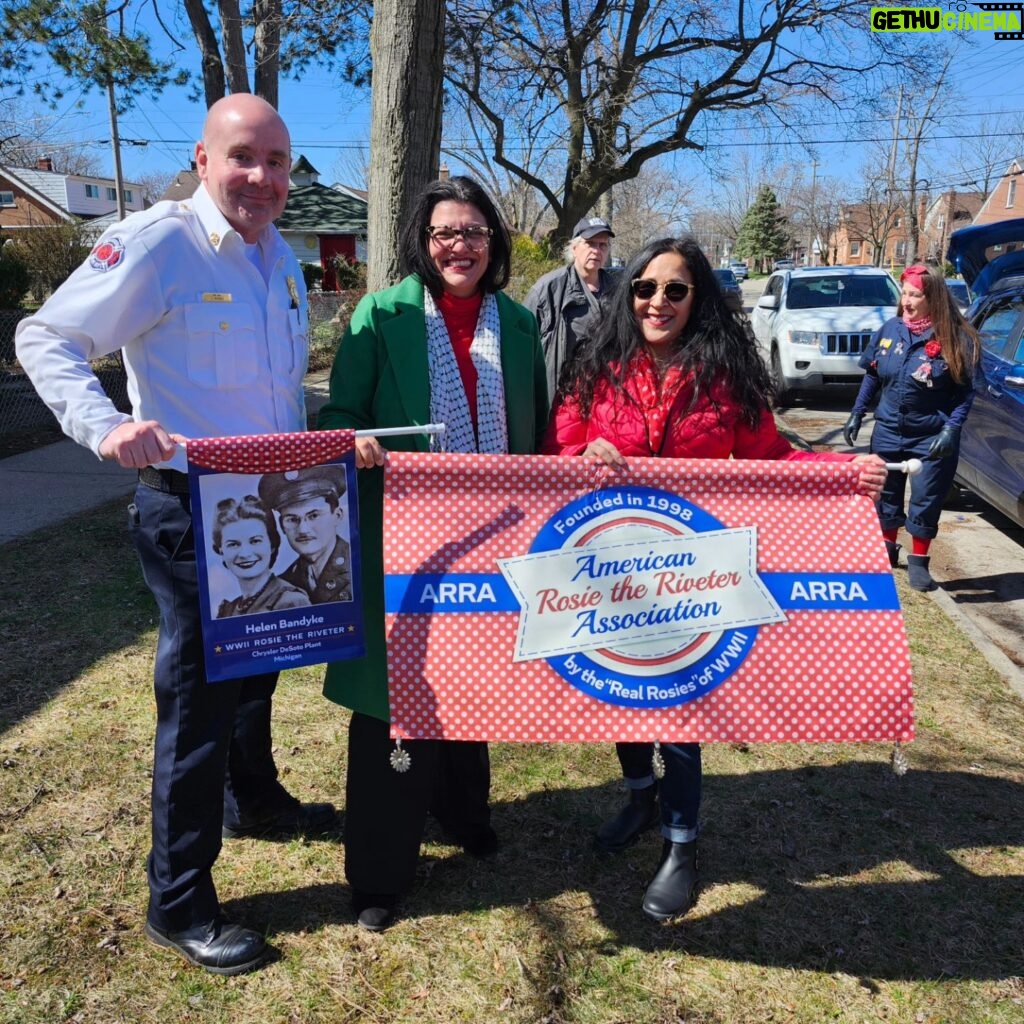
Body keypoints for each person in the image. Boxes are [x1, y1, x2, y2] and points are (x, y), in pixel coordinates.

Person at [15, 94, 336, 975]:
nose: (263, 178)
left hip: (269, 502)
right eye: (244, 158)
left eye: (277, 161)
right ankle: (179, 901)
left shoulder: (280, 259)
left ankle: (255, 801)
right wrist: (104, 426)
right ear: (203, 158)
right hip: (192, 509)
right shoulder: (160, 243)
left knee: (259, 667)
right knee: (198, 707)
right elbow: (47, 337)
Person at [543, 237, 887, 922]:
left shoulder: (725, 375)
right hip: (610, 567)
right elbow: (560, 442)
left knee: (680, 711)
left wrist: (841, 473)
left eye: (675, 290)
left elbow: (771, 458)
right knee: (623, 693)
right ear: (627, 293)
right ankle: (640, 796)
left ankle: (681, 845)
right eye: (644, 288)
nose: (657, 302)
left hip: (691, 574)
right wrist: (585, 450)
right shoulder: (597, 366)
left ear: (698, 298)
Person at [317, 175, 549, 932]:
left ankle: (461, 813)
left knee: (473, 677)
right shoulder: (381, 316)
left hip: (497, 537)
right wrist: (358, 442)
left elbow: (537, 433)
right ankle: (380, 871)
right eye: (445, 233)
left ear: (495, 244)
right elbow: (344, 416)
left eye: (474, 233)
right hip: (404, 539)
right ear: (423, 241)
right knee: (397, 697)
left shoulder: (516, 325)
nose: (460, 246)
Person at [843, 263, 981, 592]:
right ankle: (887, 550)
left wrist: (952, 429)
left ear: (932, 297)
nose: (907, 300)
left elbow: (965, 392)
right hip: (889, 428)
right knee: (885, 493)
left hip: (932, 434)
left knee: (926, 497)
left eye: (915, 294)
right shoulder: (890, 330)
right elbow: (873, 374)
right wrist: (857, 412)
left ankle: (919, 561)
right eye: (904, 292)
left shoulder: (955, 337)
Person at [524, 216, 617, 399]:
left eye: (603, 245)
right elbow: (521, 347)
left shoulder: (616, 290)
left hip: (604, 397)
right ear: (574, 248)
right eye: (590, 243)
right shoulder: (547, 289)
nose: (597, 251)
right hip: (560, 398)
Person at [258, 465, 353, 603]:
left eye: (314, 515)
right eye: (292, 519)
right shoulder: (281, 586)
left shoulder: (359, 565)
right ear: (281, 526)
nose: (303, 529)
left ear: (337, 516)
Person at [212, 494, 311, 617]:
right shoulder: (228, 610)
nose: (245, 554)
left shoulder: (291, 601)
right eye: (233, 544)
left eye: (255, 541)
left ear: (272, 545)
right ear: (221, 551)